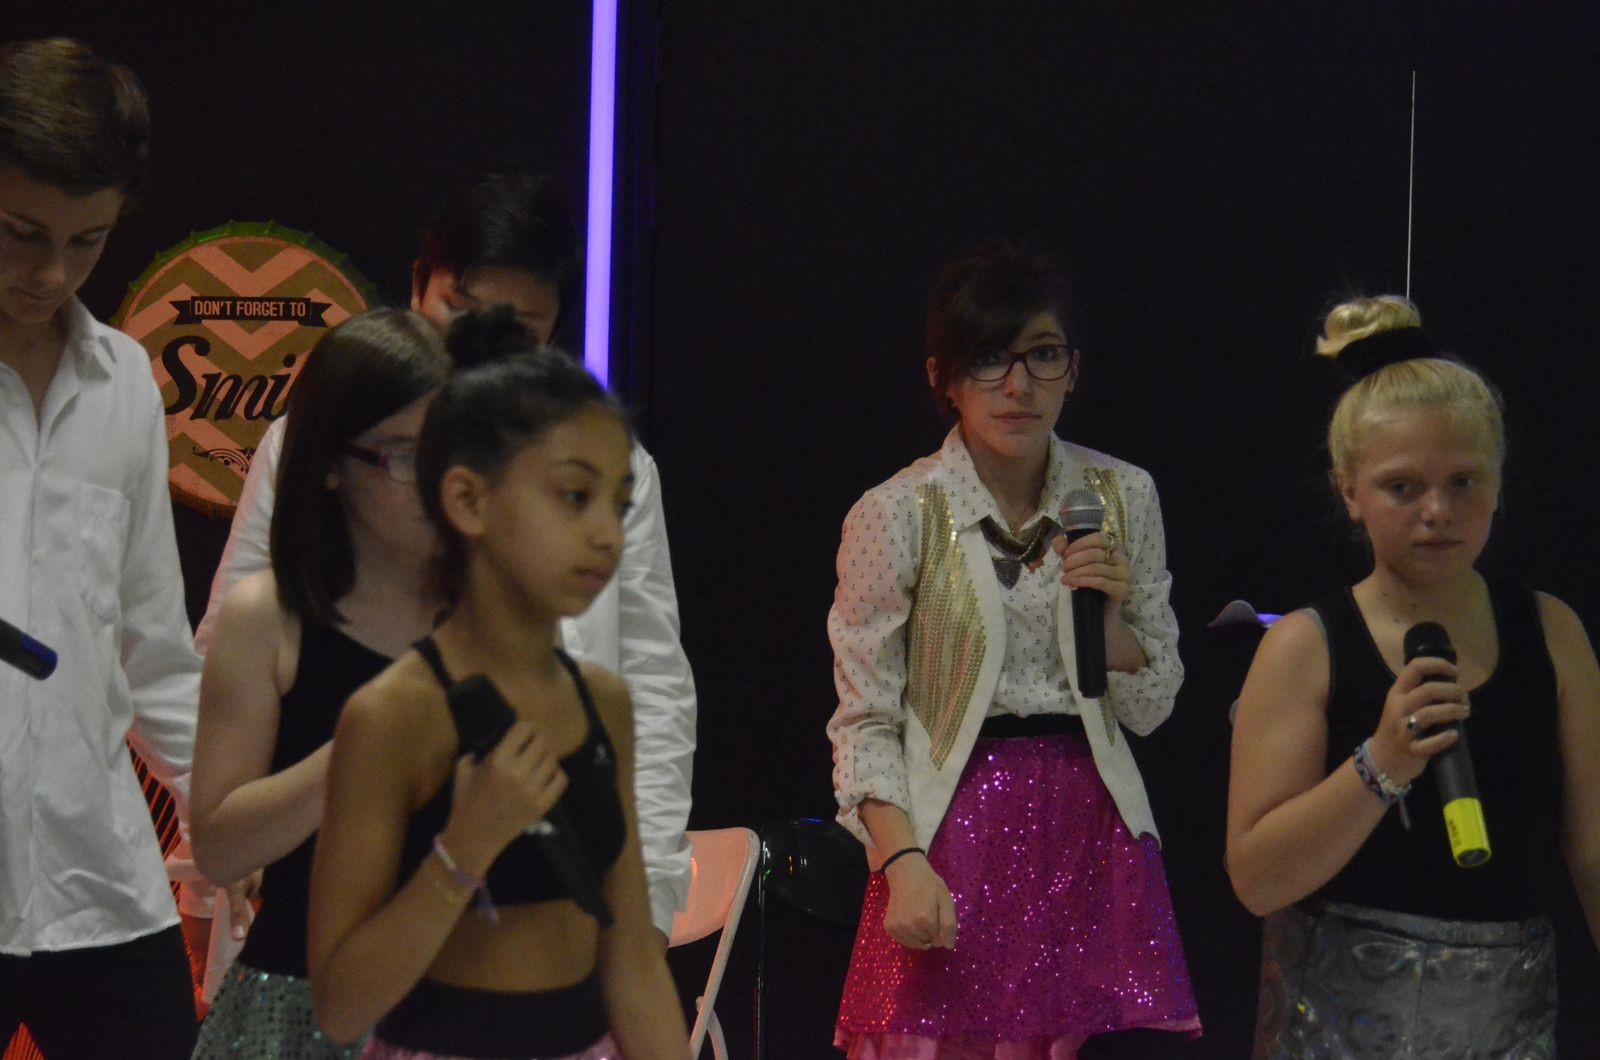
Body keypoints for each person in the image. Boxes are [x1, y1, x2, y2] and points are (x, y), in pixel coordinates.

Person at [195, 173, 695, 944]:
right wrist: (241, 839)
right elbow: (224, 673)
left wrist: (651, 902)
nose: (478, 345)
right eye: (459, 310)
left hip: (529, 901)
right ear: (418, 287)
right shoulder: (324, 440)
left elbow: (654, 683)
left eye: (519, 326)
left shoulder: (602, 462)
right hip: (323, 898)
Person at [826, 243, 1200, 1057]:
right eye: (989, 359)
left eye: (1043, 355)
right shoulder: (897, 511)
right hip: (954, 826)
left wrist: (1110, 628)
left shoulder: (1121, 495)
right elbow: (865, 720)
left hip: (1091, 828)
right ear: (943, 377)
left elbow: (1153, 705)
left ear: (1074, 369)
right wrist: (902, 860)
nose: (1019, 386)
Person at [307, 310, 688, 1059]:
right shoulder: (394, 715)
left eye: (619, 504)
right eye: (574, 496)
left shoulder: (603, 702)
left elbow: (633, 964)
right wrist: (464, 848)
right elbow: (341, 1005)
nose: (608, 534)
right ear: (468, 501)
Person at [1225, 295, 1600, 1057]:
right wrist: (1382, 762)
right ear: (1350, 492)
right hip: (1334, 1030)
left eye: (1464, 482)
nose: (1437, 511)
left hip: (1507, 1029)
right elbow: (1258, 880)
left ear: (1499, 481)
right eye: (1403, 487)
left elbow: (1593, 848)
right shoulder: (1304, 646)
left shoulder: (1552, 631)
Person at [0, 37, 203, 1057]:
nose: (50, 272)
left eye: (86, 241)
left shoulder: (124, 380)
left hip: (100, 877)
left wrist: (225, 812)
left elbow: (153, 643)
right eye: (19, 234)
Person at [187, 309, 449, 1057]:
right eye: (405, 458)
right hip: (299, 1000)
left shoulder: (492, 611)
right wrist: (358, 750)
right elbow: (220, 847)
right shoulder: (269, 615)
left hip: (461, 1000)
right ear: (330, 463)